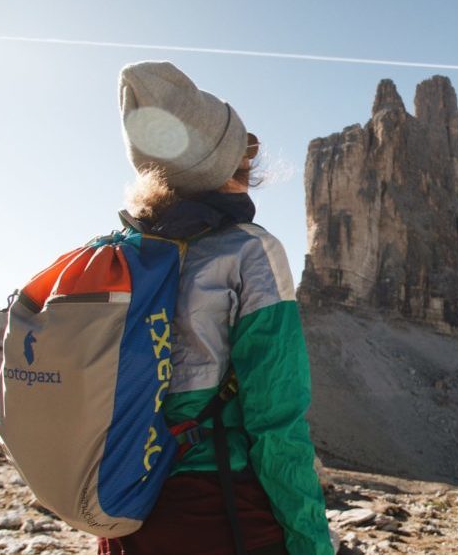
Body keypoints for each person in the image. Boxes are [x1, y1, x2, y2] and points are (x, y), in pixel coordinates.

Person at [97, 61, 334, 555]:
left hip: (123, 517)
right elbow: (277, 423)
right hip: (221, 512)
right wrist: (311, 541)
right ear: (227, 168)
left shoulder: (118, 253)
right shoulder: (251, 252)